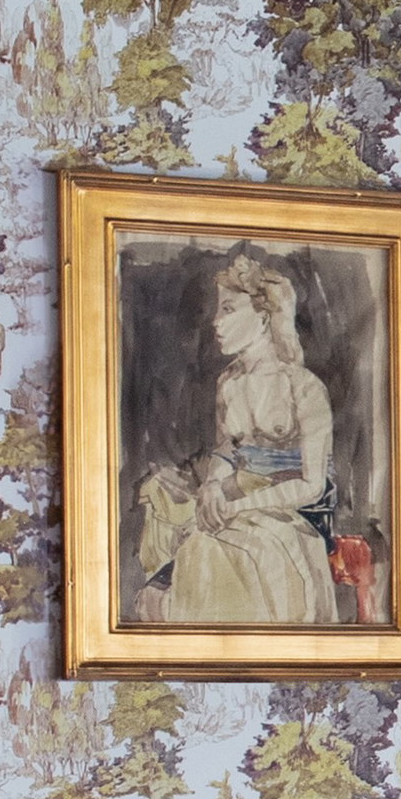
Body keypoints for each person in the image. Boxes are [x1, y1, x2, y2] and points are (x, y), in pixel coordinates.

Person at [134, 254, 342, 625]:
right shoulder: (228, 383)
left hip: (297, 508)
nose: (216, 323)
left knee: (206, 548)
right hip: (241, 491)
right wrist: (213, 484)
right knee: (160, 495)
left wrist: (235, 508)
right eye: (218, 310)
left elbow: (312, 486)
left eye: (228, 310)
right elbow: (226, 450)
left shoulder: (304, 387)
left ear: (263, 318)